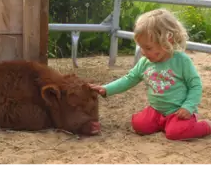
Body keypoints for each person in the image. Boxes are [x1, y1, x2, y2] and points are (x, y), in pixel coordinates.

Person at [90, 8, 211, 141]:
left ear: (167, 41)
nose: (143, 52)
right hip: (157, 110)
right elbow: (129, 79)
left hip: (179, 112)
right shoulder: (145, 63)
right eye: (141, 47)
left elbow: (195, 85)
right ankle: (164, 123)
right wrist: (106, 89)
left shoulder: (181, 61)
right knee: (139, 125)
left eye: (148, 48)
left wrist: (188, 107)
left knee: (175, 133)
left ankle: (206, 126)